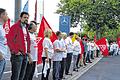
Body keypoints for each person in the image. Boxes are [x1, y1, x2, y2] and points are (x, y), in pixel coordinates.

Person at [7, 12, 31, 80]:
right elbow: (9, 40)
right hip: (17, 55)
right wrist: (15, 51)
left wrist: (28, 52)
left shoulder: (26, 28)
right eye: (24, 17)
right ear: (20, 18)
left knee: (22, 76)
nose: (26, 19)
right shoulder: (15, 27)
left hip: (24, 54)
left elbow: (27, 41)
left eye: (27, 18)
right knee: (16, 77)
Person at [0, 8, 9, 80]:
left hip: (3, 57)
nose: (7, 16)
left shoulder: (1, 27)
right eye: (6, 14)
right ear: (2, 15)